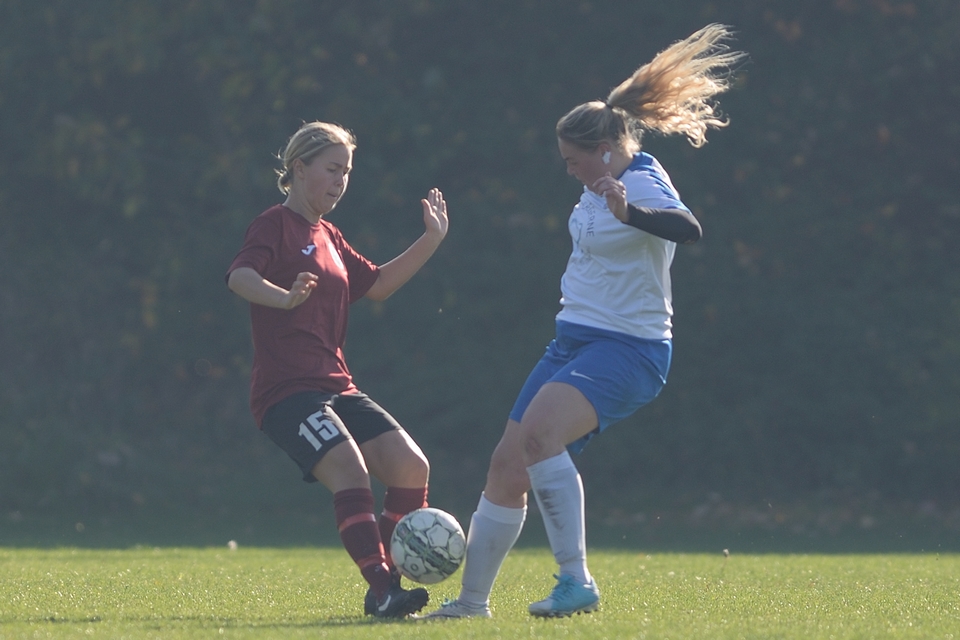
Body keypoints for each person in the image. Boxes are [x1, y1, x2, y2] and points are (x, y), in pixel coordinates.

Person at [422, 24, 745, 619]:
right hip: (572, 342)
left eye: (574, 160)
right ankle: (470, 603)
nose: (569, 170)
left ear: (604, 151)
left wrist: (632, 212)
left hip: (629, 349)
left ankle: (577, 581)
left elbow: (689, 229)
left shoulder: (640, 179)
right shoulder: (598, 183)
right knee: (507, 465)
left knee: (541, 436)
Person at [226, 121, 449, 618]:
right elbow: (240, 276)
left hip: (336, 386)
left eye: (346, 172)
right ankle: (385, 589)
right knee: (351, 470)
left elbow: (379, 285)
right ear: (299, 168)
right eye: (331, 169)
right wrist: (282, 298)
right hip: (286, 392)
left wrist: (431, 239)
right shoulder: (274, 224)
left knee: (412, 467)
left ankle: (387, 586)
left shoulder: (329, 234)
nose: (340, 181)